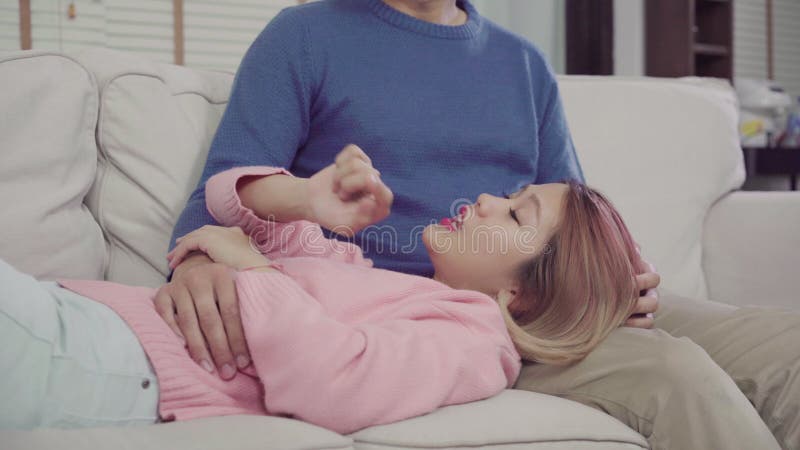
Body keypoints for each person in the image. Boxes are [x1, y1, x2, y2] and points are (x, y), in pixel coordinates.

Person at [159, 1, 798, 448]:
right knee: (673, 375)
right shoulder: (303, 36)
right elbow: (222, 196)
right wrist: (201, 261)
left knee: (785, 344)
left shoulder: (522, 64)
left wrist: (630, 276)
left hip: (548, 296)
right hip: (446, 316)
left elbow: (574, 215)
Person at [1, 147, 649, 432]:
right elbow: (233, 210)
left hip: (107, 359)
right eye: (507, 196)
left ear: (528, 296)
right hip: (78, 320)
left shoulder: (474, 343)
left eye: (514, 214)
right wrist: (306, 200)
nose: (484, 199)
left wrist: (248, 268)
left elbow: (338, 378)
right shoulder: (371, 276)